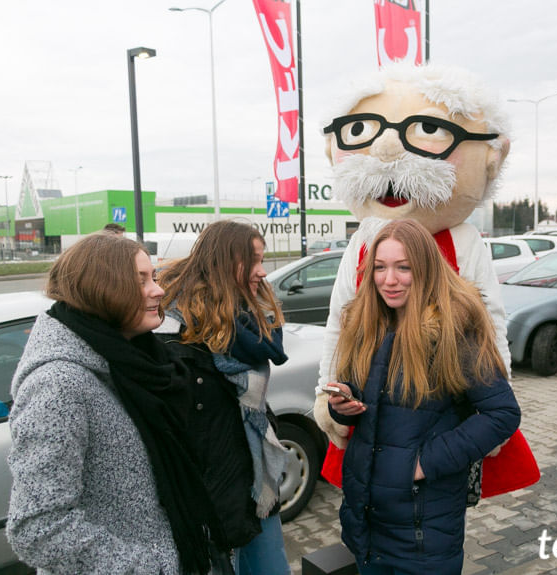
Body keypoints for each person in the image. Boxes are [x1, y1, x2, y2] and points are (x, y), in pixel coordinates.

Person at [315, 62, 512, 450]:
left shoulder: (462, 240)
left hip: (442, 406)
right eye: (360, 131)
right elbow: (339, 319)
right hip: (372, 403)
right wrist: (326, 390)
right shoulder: (363, 242)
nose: (389, 149)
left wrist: (496, 400)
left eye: (429, 129)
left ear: (492, 157)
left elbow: (491, 323)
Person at [8, 233, 224, 574]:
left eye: (153, 277)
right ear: (101, 291)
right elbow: (37, 528)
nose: (159, 290)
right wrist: (149, 568)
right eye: (141, 281)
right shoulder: (59, 385)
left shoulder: (132, 360)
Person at [326, 219, 520, 574]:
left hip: (422, 536)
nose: (389, 279)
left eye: (404, 268)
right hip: (367, 523)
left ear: (426, 269)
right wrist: (342, 406)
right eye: (380, 268)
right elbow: (361, 399)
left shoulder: (453, 330)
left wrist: (424, 464)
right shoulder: (365, 323)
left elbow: (502, 414)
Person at [156, 220, 291, 575]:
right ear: (223, 262)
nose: (262, 272)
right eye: (254, 261)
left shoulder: (244, 318)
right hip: (214, 499)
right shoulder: (173, 331)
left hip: (254, 482)